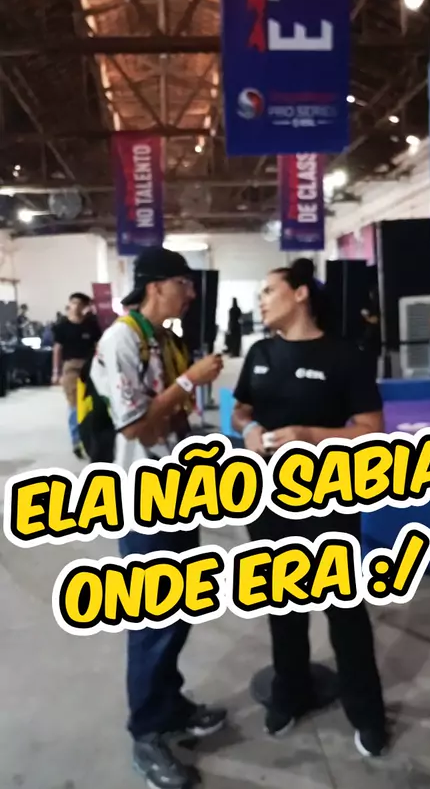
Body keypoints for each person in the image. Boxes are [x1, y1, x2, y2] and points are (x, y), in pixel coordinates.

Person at [232, 258, 388, 758]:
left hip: (329, 498)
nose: (261, 300)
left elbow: (371, 430)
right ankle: (290, 692)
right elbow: (241, 409)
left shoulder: (344, 355)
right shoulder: (259, 353)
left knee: (344, 610)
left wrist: (309, 435)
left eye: (268, 290)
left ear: (300, 294)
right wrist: (248, 429)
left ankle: (367, 712)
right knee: (282, 604)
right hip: (267, 499)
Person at [90, 247, 226, 789]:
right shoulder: (121, 339)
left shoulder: (166, 338)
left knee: (180, 607)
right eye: (183, 284)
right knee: (152, 620)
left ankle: (169, 705)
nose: (190, 294)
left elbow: (175, 414)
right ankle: (146, 733)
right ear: (155, 286)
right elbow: (134, 427)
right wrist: (190, 381)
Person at [52, 293, 102, 458]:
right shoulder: (62, 326)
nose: (76, 306)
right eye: (73, 303)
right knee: (74, 404)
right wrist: (56, 372)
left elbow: (99, 344)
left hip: (90, 366)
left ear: (85, 306)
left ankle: (91, 438)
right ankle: (76, 441)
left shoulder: (91, 324)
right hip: (71, 367)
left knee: (92, 403)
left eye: (80, 303)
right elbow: (57, 349)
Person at [360, 287, 381, 380]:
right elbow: (364, 312)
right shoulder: (368, 304)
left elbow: (375, 320)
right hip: (368, 340)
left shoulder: (378, 305)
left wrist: (369, 318)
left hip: (375, 340)